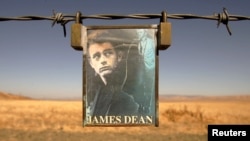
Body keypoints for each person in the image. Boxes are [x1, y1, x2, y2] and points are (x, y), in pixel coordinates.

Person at [86, 29, 139, 117]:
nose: (103, 61)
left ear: (119, 56)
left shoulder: (129, 100)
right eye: (96, 56)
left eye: (108, 53)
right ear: (91, 64)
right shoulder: (93, 96)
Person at [136, 29, 156, 115]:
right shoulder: (138, 43)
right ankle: (141, 105)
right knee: (140, 86)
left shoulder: (151, 42)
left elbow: (156, 54)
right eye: (137, 33)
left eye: (140, 33)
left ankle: (147, 107)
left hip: (150, 68)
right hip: (141, 68)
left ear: (144, 33)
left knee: (148, 88)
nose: (138, 34)